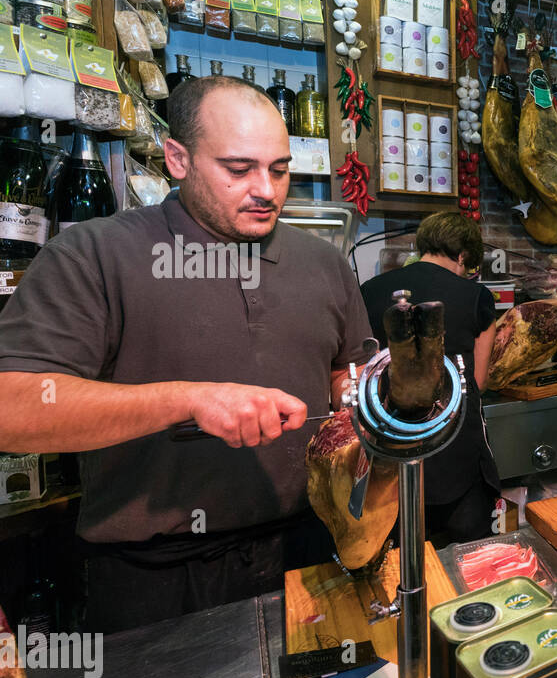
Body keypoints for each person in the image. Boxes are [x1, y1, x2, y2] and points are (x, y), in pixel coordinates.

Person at [0, 77, 372, 632]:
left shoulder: (324, 263)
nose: (267, 190)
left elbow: (348, 372)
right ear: (178, 159)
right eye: (239, 169)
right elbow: (13, 407)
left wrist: (370, 399)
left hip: (310, 549)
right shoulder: (96, 253)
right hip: (156, 578)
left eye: (279, 168)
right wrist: (189, 400)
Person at [361, 213, 501, 543]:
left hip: (390, 445)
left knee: (397, 556)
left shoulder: (369, 290)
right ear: (463, 256)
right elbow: (479, 380)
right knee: (462, 556)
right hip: (455, 449)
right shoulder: (476, 296)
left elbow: (364, 365)